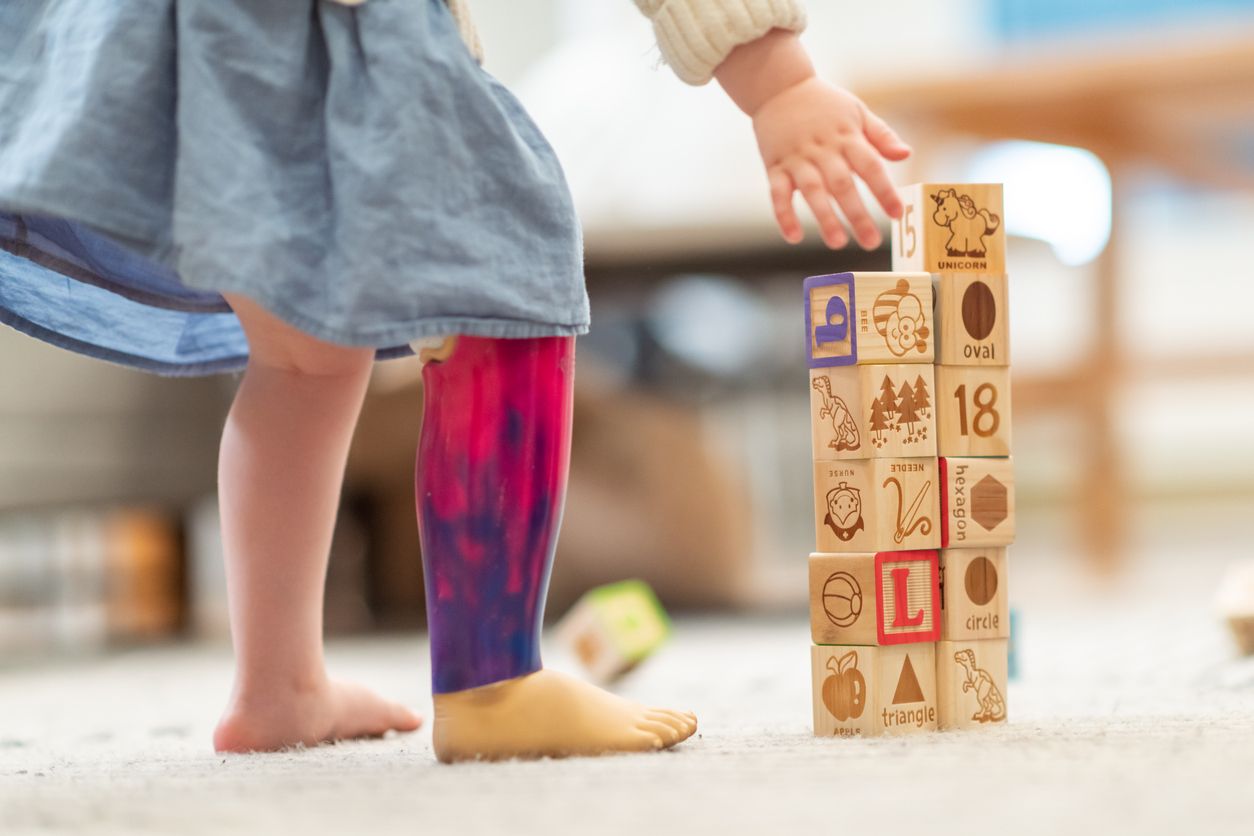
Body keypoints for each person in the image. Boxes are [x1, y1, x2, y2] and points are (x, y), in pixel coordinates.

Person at [0, 0, 910, 762]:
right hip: (331, 32)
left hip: (158, 40)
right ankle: (494, 683)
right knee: (507, 276)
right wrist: (778, 78)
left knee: (306, 359)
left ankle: (278, 689)